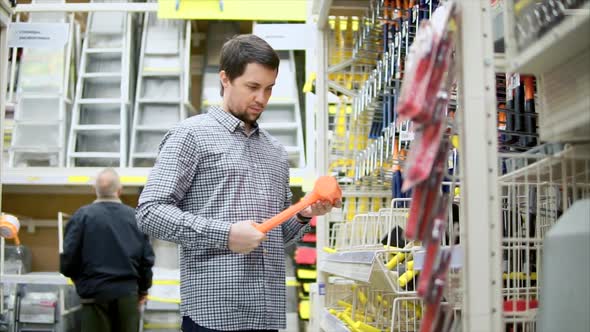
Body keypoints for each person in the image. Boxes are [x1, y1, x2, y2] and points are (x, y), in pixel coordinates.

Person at [136, 34, 341, 332]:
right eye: (253, 87)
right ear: (225, 79)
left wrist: (303, 213)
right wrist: (226, 234)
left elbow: (276, 236)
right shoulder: (190, 136)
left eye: (269, 89)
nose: (262, 99)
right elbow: (149, 212)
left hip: (265, 313)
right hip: (213, 315)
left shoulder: (275, 151)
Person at [61, 168, 155, 332]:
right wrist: (143, 290)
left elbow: (68, 259)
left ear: (94, 190)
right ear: (120, 190)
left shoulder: (81, 217)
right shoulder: (136, 218)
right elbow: (146, 259)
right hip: (127, 294)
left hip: (94, 295)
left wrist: (81, 283)